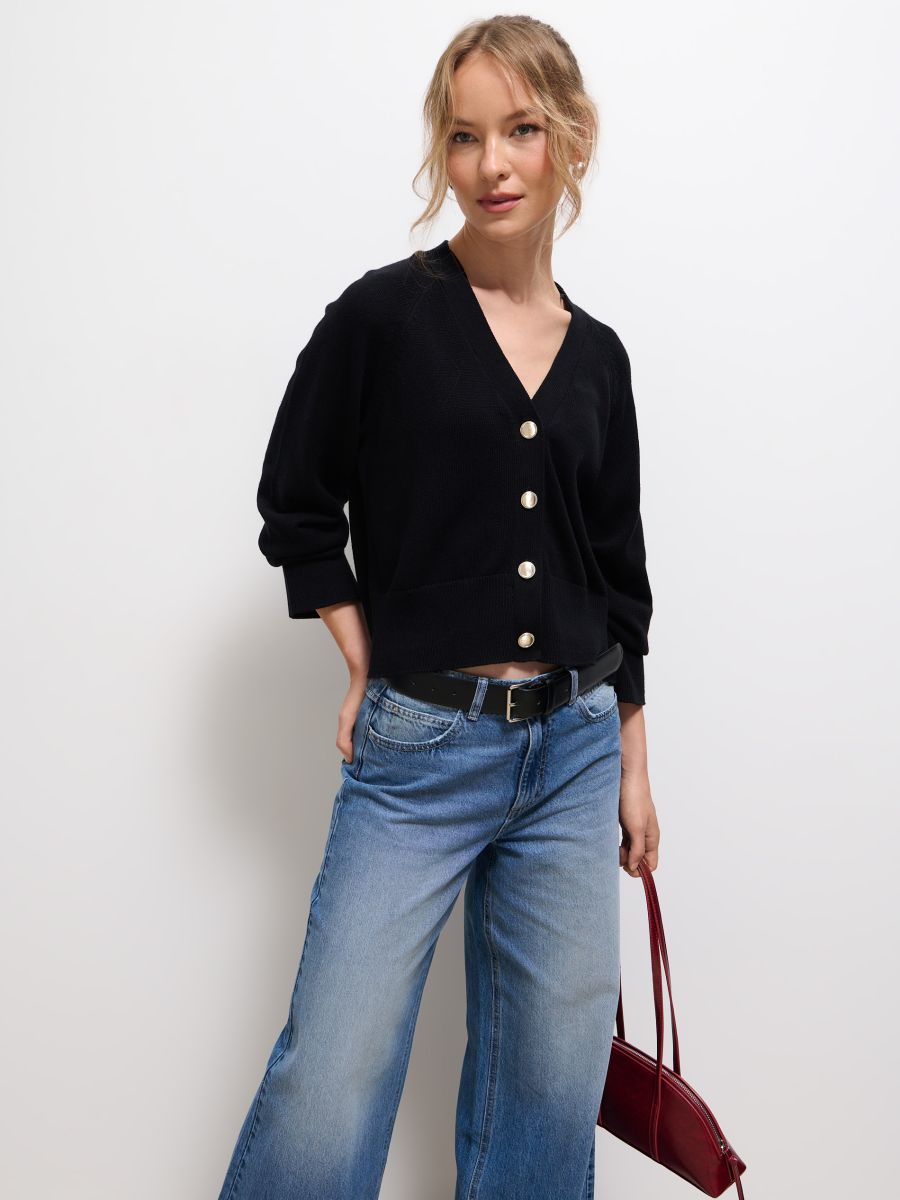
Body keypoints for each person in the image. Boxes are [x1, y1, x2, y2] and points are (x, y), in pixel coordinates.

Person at [217, 14, 659, 1200]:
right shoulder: (383, 318)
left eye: (521, 130)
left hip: (575, 754)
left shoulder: (600, 358)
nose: (491, 164)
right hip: (420, 751)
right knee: (333, 1078)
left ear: (572, 137)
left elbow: (619, 578)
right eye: (464, 137)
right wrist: (363, 662)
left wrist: (631, 766)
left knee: (548, 1096)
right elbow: (296, 503)